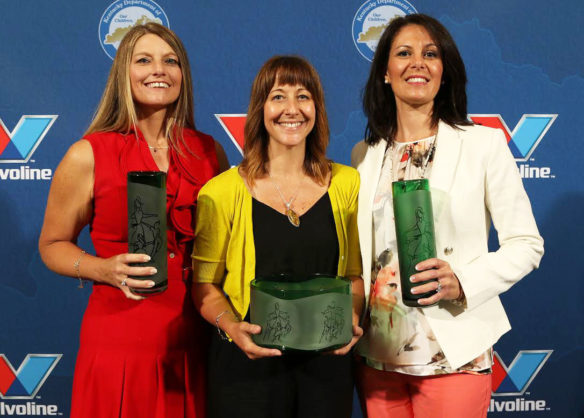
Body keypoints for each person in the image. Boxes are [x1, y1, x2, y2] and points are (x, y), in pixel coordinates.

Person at [351, 14, 544, 418]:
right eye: (404, 53)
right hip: (378, 359)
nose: (417, 62)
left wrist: (463, 281)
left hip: (454, 354)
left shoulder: (484, 144)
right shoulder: (364, 156)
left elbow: (526, 245)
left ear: (445, 70)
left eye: (431, 53)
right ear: (385, 72)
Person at [38, 22, 228, 418]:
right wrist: (103, 269)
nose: (159, 69)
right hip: (119, 339)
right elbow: (52, 246)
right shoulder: (88, 154)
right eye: (144, 60)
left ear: (183, 75)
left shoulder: (210, 153)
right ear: (124, 73)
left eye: (170, 61)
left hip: (193, 337)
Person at [192, 55, 364, 418]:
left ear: (316, 108)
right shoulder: (220, 192)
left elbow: (354, 274)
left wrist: (351, 315)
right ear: (260, 109)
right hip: (247, 369)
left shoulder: (349, 184)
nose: (292, 109)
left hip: (326, 369)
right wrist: (232, 328)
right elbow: (204, 287)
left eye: (303, 96)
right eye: (278, 96)